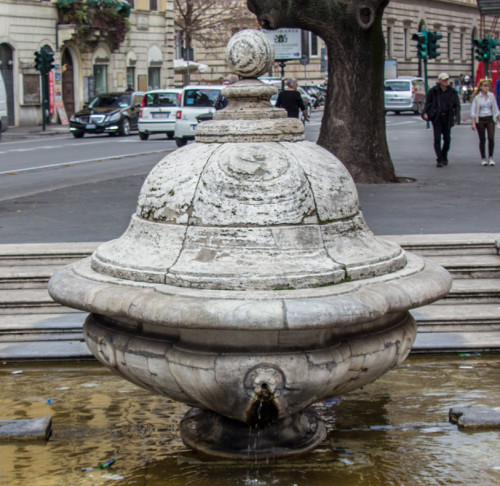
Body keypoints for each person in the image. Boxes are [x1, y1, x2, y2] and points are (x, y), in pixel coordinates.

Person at [422, 72, 461, 167]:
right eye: (444, 80)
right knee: (437, 139)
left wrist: (457, 116)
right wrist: (424, 113)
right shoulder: (433, 91)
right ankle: (439, 158)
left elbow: (457, 105)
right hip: (437, 118)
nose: (446, 81)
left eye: (447, 80)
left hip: (448, 118)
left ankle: (444, 155)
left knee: (447, 139)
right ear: (439, 81)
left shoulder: (452, 92)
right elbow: (428, 103)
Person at [470, 79, 500, 166]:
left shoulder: (491, 96)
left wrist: (498, 118)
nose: (487, 88)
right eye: (485, 86)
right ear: (481, 87)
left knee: (491, 138)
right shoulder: (477, 98)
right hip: (481, 119)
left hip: (490, 118)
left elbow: (495, 108)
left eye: (488, 86)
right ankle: (483, 157)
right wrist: (473, 123)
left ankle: (490, 157)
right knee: (482, 139)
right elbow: (473, 112)